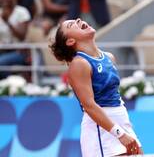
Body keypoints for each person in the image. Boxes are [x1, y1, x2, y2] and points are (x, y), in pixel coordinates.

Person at [50, 18, 142, 156]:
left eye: (76, 19)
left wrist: (124, 123)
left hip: (120, 125)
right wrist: (119, 133)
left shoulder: (109, 57)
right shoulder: (79, 64)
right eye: (71, 24)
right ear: (70, 41)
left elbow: (114, 96)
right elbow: (89, 106)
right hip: (101, 132)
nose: (79, 20)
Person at [0, 0, 31, 79]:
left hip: (18, 52)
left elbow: (21, 35)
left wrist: (7, 22)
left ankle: (7, 86)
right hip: (2, 50)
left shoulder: (22, 12)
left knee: (1, 63)